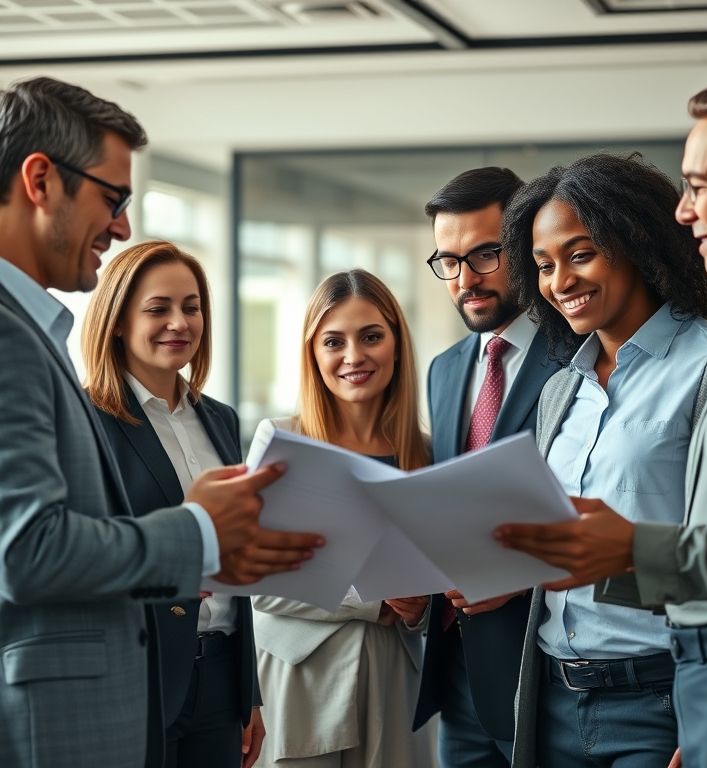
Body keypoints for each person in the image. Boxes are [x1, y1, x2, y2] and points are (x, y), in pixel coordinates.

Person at [0, 77, 323, 768]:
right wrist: (199, 529)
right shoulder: (9, 336)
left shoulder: (32, 332)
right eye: (112, 200)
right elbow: (25, 552)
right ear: (40, 179)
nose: (119, 227)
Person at [494, 72, 707, 768]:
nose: (561, 282)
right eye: (545, 265)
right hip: (558, 689)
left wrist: (704, 709)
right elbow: (584, 544)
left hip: (666, 692)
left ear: (635, 242)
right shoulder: (562, 389)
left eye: (581, 254)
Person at [81, 240, 265, 768]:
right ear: (117, 321)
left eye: (191, 306)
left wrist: (246, 690)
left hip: (221, 677)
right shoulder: (88, 421)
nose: (179, 323)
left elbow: (237, 567)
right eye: (158, 309)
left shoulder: (222, 419)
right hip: (140, 678)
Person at [252, 269, 433, 768]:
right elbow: (256, 574)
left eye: (371, 336)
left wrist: (420, 610)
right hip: (300, 683)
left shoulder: (427, 453)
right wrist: (371, 600)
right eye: (334, 341)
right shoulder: (281, 440)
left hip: (395, 684)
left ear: (396, 343)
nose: (354, 356)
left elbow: (436, 585)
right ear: (313, 353)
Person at [414, 167, 563, 767]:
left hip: (545, 678)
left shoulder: (579, 354)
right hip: (456, 676)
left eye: (485, 254)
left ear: (525, 247)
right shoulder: (444, 370)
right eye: (448, 261)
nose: (465, 280)